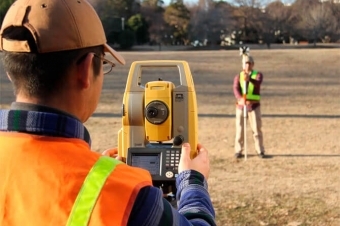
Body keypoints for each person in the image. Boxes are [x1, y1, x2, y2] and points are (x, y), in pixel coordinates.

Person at [0, 0, 216, 225]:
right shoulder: (125, 193)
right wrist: (193, 183)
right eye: (104, 63)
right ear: (85, 70)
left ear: (10, 72)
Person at [233, 54, 265, 159]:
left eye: (249, 63)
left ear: (252, 64)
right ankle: (238, 150)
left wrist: (249, 79)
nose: (247, 66)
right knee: (240, 129)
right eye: (245, 63)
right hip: (242, 106)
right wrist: (240, 99)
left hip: (254, 106)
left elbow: (258, 83)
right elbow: (236, 88)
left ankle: (260, 150)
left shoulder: (257, 75)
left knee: (256, 129)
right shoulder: (239, 76)